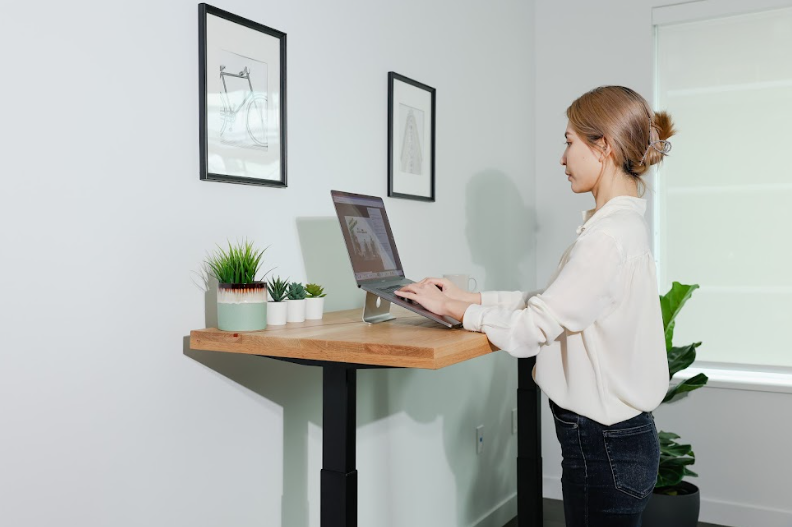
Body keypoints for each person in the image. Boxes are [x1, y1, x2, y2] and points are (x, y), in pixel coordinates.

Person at [394, 85, 674, 527]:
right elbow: (554, 302)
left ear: (603, 146)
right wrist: (465, 297)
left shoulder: (606, 239)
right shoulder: (619, 228)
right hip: (616, 443)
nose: (562, 158)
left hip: (604, 448)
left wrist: (459, 313)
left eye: (568, 142)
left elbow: (535, 328)